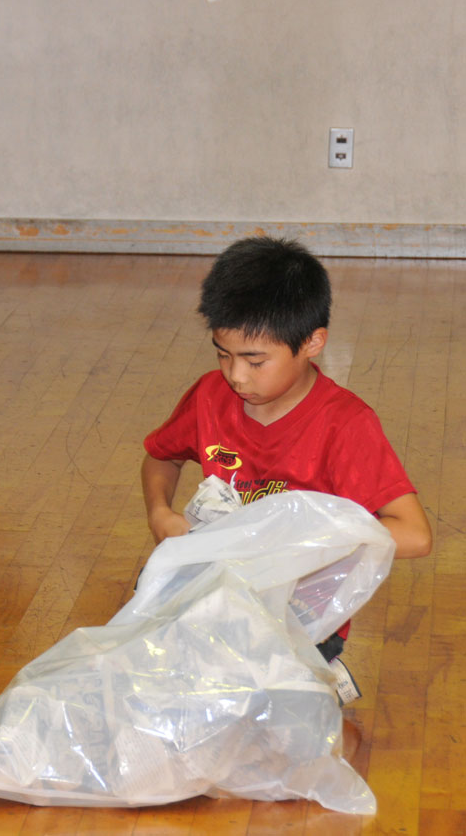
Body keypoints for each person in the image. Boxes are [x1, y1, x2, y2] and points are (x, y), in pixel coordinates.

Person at [141, 236, 431, 672]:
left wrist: (294, 541)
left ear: (312, 342)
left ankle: (324, 681)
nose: (236, 376)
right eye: (223, 355)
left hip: (305, 620)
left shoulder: (345, 424)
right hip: (219, 596)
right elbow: (162, 456)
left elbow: (415, 535)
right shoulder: (209, 396)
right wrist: (159, 513)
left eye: (255, 361)